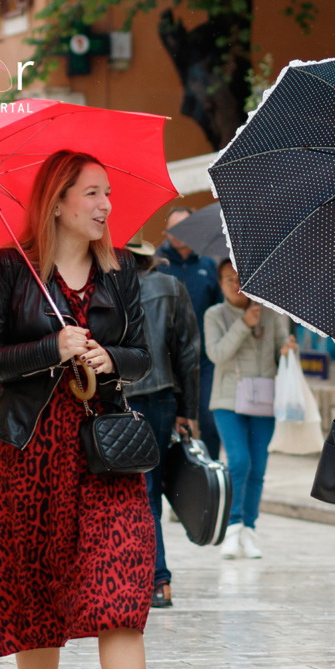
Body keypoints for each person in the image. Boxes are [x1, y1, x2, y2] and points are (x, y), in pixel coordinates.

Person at [0, 150, 178, 669]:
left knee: (122, 576)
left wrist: (113, 360)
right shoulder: (10, 268)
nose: (105, 206)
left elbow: (143, 355)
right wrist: (49, 348)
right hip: (30, 449)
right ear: (57, 201)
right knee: (34, 587)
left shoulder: (119, 275)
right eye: (92, 194)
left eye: (108, 193)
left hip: (104, 450)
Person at [125, 235, 200, 609]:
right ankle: (159, 581)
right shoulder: (170, 287)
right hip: (160, 401)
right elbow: (188, 353)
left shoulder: (104, 290)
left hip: (114, 402)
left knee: (119, 493)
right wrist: (189, 411)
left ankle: (133, 577)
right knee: (149, 491)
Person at [204, 259, 295, 559]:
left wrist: (287, 350)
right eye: (228, 279)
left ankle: (250, 530)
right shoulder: (214, 315)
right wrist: (244, 325)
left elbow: (280, 350)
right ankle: (232, 527)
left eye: (239, 278)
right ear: (220, 284)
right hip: (228, 401)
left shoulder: (270, 314)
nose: (234, 284)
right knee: (239, 461)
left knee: (257, 467)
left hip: (264, 400)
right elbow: (217, 354)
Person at [157, 208, 222, 459]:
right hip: (168, 357)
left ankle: (210, 470)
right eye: (171, 230)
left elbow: (218, 308)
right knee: (169, 421)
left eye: (181, 229)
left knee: (208, 419)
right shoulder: (158, 263)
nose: (175, 235)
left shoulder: (207, 264)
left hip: (203, 357)